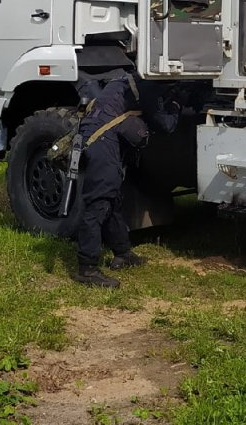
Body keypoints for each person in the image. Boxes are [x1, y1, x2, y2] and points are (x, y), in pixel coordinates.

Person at [67, 73, 181, 288]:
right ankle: (87, 269)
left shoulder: (127, 80)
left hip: (98, 134)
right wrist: (176, 104)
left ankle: (123, 254)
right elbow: (165, 125)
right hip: (101, 139)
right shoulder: (147, 86)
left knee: (113, 199)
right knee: (98, 204)